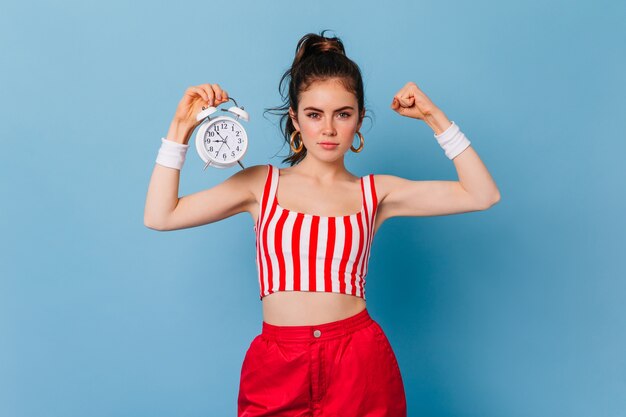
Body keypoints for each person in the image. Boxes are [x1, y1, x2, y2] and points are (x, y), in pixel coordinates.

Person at [144, 30, 500, 417]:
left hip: (358, 364)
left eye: (342, 114)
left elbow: (482, 194)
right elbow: (161, 215)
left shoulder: (375, 193)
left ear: (359, 118)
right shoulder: (261, 184)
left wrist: (434, 117)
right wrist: (180, 128)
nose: (328, 129)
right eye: (314, 114)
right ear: (295, 119)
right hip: (278, 365)